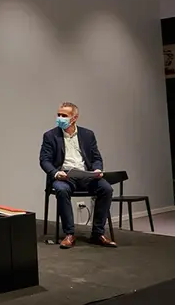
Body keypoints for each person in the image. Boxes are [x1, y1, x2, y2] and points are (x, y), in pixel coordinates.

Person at [39, 102, 117, 249]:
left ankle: (97, 234)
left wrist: (97, 169)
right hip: (65, 177)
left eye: (64, 116)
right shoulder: (50, 136)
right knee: (61, 190)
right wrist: (56, 173)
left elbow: (96, 158)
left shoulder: (87, 135)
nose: (60, 118)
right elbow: (45, 160)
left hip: (86, 176)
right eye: (58, 115)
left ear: (74, 118)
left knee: (106, 189)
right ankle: (69, 234)